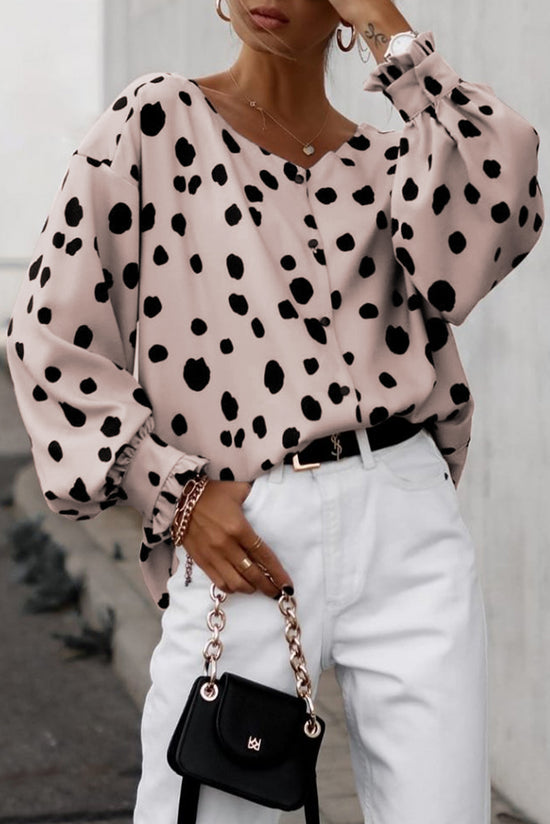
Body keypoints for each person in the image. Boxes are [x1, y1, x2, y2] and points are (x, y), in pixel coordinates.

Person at [6, 0, 544, 821]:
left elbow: (498, 192)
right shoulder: (155, 120)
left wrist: (382, 21)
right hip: (245, 529)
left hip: (408, 520)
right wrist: (171, 492)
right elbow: (48, 336)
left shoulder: (395, 162)